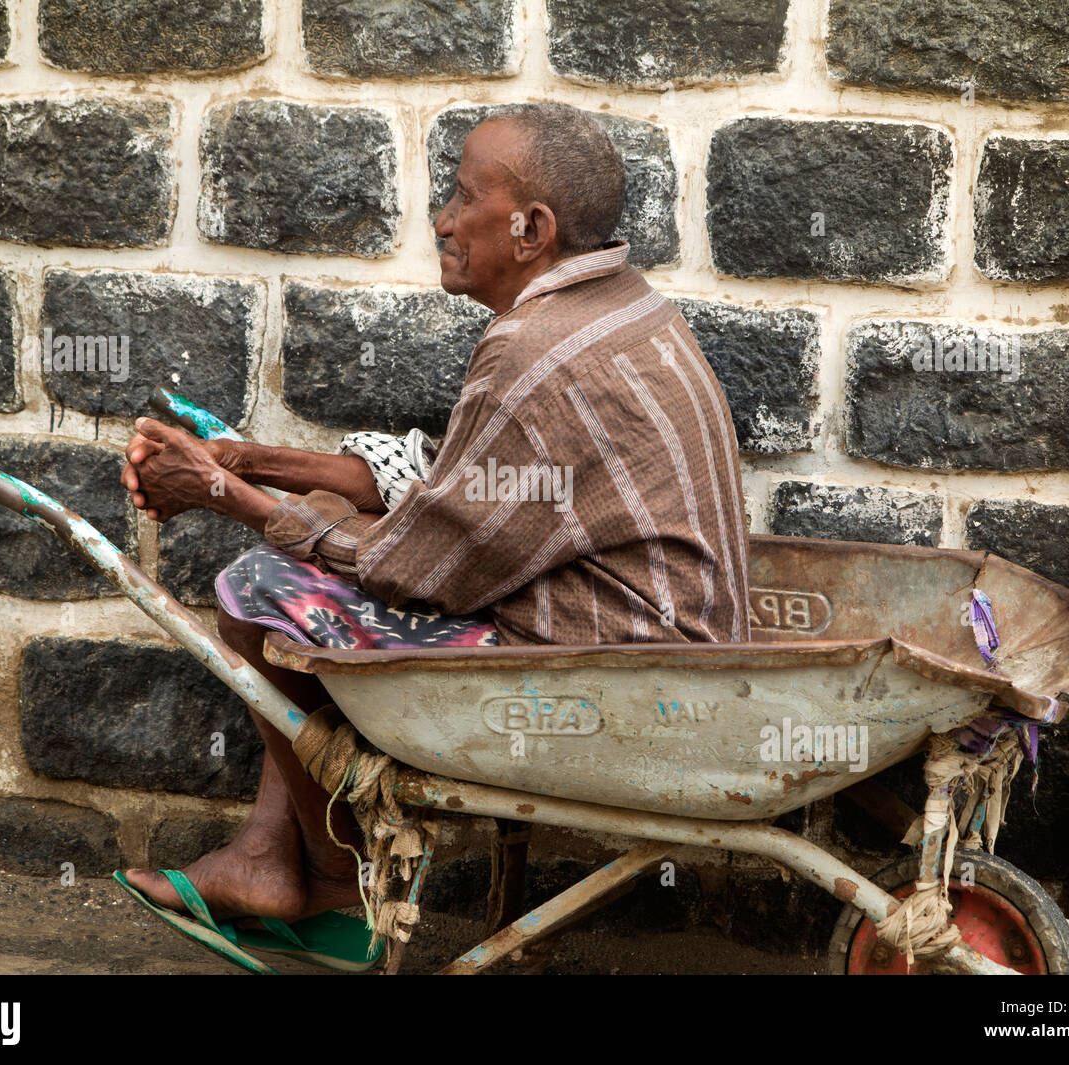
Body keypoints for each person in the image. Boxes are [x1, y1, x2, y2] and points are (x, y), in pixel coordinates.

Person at [118, 103, 752, 926]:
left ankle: (332, 875)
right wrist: (253, 462)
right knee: (319, 529)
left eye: (461, 198)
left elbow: (417, 570)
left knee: (260, 590)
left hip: (624, 683)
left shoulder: (531, 355)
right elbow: (461, 480)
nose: (444, 222)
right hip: (662, 646)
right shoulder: (616, 304)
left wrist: (215, 492)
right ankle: (268, 858)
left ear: (531, 228)